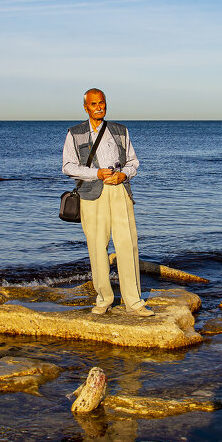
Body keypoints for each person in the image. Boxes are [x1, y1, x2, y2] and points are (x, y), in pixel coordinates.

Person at [61, 88, 154, 316]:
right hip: (92, 195)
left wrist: (125, 175)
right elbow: (67, 167)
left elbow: (133, 161)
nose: (99, 107)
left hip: (120, 191)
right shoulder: (75, 133)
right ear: (86, 107)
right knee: (97, 247)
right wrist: (96, 174)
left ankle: (134, 302)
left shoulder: (121, 130)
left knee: (128, 245)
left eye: (102, 103)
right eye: (93, 104)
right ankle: (104, 299)